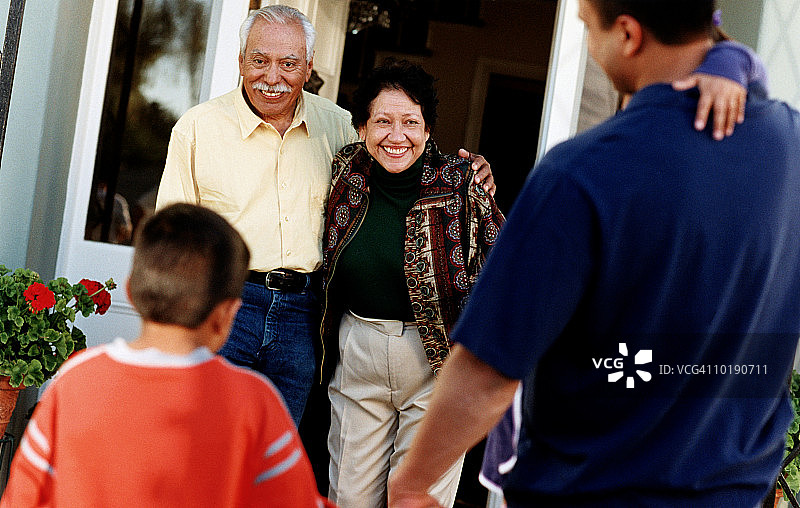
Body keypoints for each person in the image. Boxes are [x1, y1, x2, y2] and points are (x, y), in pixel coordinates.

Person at [389, 1, 800, 507]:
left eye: (587, 27)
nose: (587, 45)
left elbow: (487, 372)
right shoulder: (791, 146)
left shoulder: (582, 174)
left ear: (628, 34)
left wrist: (413, 483)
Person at [155, 5, 495, 426]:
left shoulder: (336, 125)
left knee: (278, 446)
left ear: (309, 66)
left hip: (304, 314)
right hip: (225, 305)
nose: (272, 77)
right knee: (206, 437)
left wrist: (469, 173)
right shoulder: (197, 129)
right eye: (259, 60)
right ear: (240, 61)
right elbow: (170, 242)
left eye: (288, 64)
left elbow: (398, 156)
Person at [0, 203, 333, 508]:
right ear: (227, 314)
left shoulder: (76, 382)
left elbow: (24, 499)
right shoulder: (254, 401)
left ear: (130, 292)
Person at [319, 58, 504, 508]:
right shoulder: (344, 171)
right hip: (358, 351)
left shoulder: (461, 183)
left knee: (417, 499)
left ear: (428, 129)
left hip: (436, 363)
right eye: (383, 121)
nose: (396, 135)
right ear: (362, 127)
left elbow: (506, 265)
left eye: (410, 122)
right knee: (348, 497)